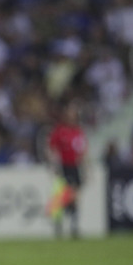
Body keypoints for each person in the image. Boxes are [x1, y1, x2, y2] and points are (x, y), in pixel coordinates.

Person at [47, 100, 86, 239]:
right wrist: (54, 165)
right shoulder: (59, 131)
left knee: (74, 197)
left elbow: (83, 152)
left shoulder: (78, 131)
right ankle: (59, 225)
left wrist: (86, 169)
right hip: (63, 166)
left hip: (75, 166)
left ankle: (74, 227)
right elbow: (52, 149)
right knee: (62, 196)